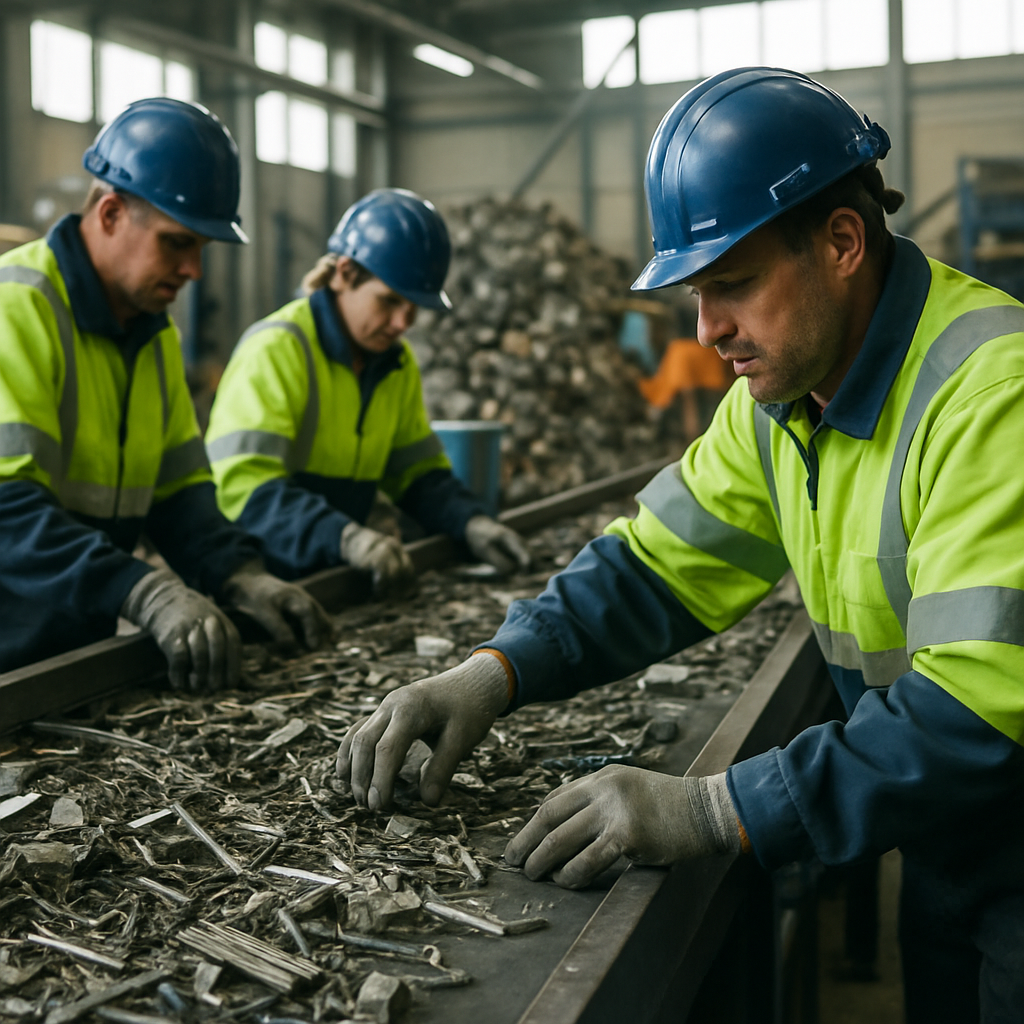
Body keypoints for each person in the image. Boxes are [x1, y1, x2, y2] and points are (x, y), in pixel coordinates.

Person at [337, 68, 1024, 1023]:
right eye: (697, 294)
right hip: (950, 836)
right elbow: (654, 564)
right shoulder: (787, 402)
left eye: (733, 285)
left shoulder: (992, 397)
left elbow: (975, 719)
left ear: (840, 241)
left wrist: (713, 810)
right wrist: (492, 673)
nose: (709, 334)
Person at [0, 97, 330, 690]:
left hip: (67, 662)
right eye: (178, 243)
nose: (194, 271)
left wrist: (240, 575)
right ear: (109, 214)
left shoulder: (150, 334)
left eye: (201, 249)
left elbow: (180, 496)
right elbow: (7, 512)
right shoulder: (15, 309)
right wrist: (144, 590)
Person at [205, 188, 531, 596]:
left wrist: (470, 522)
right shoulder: (275, 350)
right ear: (344, 273)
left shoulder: (395, 365)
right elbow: (243, 489)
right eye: (389, 301)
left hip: (333, 580)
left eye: (413, 307)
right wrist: (344, 538)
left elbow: (417, 475)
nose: (402, 323)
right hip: (259, 586)